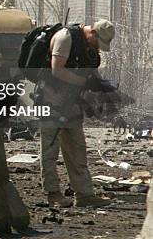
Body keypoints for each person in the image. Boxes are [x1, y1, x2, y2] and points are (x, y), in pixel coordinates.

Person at [38, 19, 115, 208]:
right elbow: (57, 70)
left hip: (71, 102)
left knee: (77, 148)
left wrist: (100, 86)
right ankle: (53, 194)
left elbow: (90, 70)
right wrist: (84, 83)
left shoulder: (87, 44)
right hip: (51, 100)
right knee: (50, 149)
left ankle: (84, 194)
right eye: (98, 42)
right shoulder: (66, 37)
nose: (97, 47)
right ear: (93, 33)